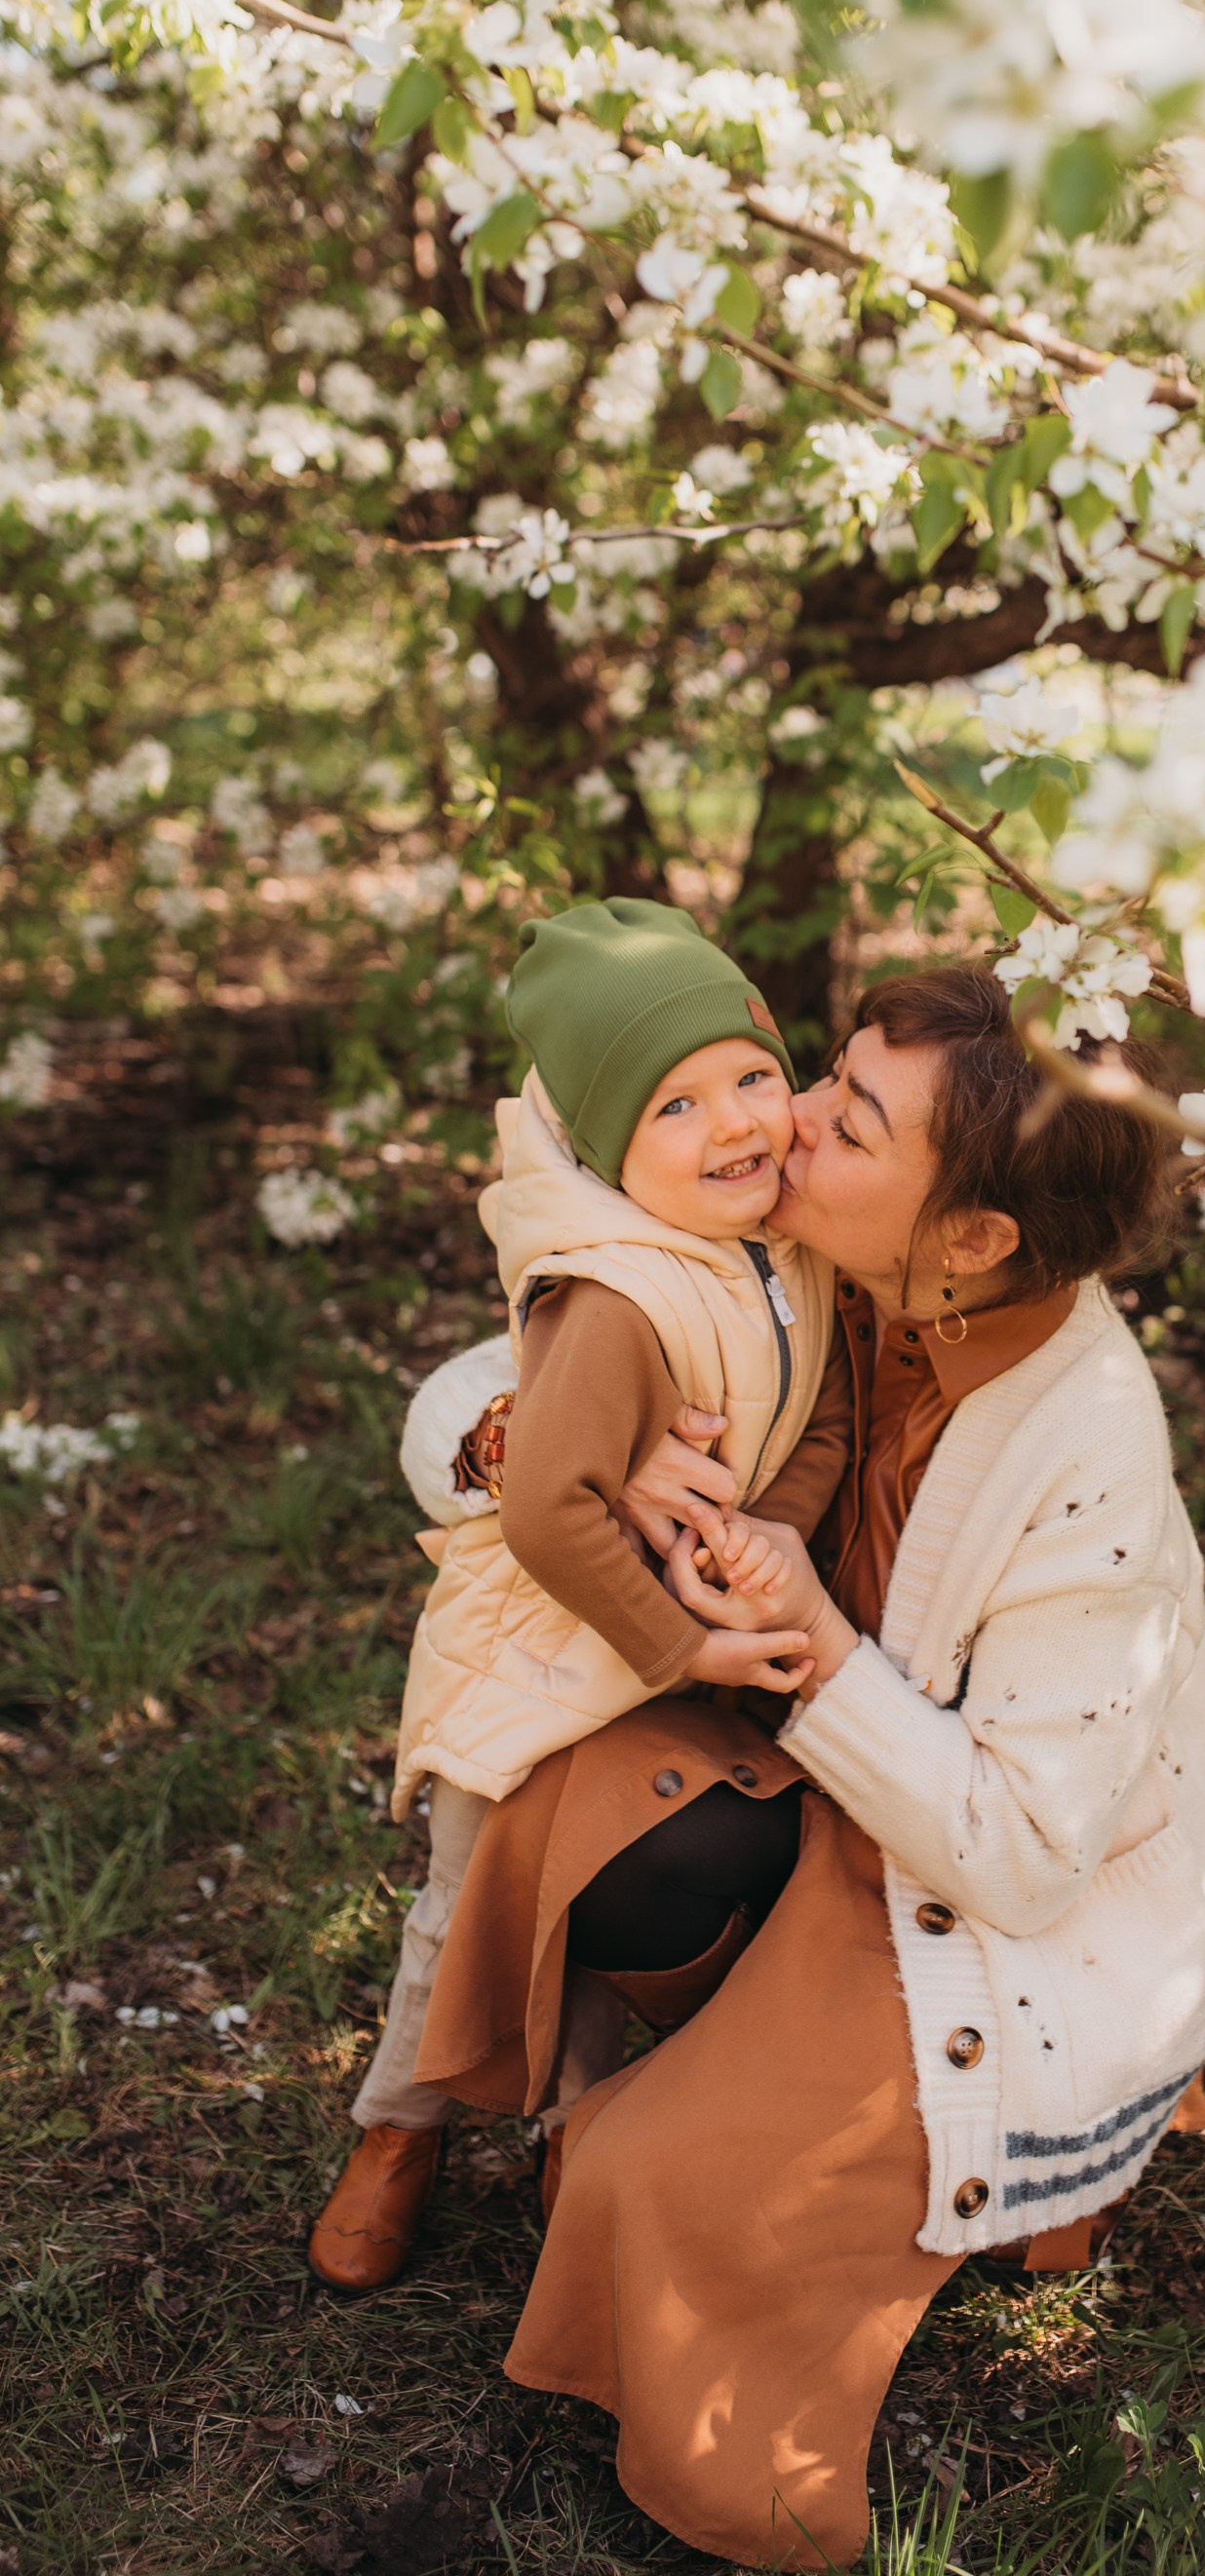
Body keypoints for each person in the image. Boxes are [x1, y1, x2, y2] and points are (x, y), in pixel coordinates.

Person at [413, 962, 1205, 2569]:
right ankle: (702, 2035)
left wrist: (819, 1646)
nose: (784, 1118)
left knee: (663, 2184)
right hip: (820, 1784)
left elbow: (1018, 1855)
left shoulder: (1091, 1454)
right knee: (572, 1811)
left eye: (850, 1115)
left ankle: (772, 2367)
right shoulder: (818, 1253)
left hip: (986, 1896)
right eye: (832, 1073)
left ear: (974, 1237)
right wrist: (557, 1441)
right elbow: (469, 1389)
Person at [308, 898, 851, 2292]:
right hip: (552, 1637)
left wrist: (762, 1543)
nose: (735, 1122)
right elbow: (551, 1509)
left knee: (599, 1889)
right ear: (612, 1154)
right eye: (676, 1106)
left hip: (681, 1615)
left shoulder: (793, 1252)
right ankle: (397, 2133)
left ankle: (572, 2128)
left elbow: (832, 1425)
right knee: (471, 1896)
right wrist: (688, 1647)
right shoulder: (609, 1300)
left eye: (749, 1075)